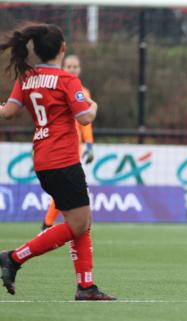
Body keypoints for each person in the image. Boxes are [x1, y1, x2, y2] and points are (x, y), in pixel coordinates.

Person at [0, 23, 115, 300]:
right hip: (64, 160)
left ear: (35, 50)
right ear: (62, 49)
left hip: (43, 160)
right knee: (78, 224)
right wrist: (94, 105)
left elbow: (8, 113)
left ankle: (86, 286)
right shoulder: (66, 80)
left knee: (80, 221)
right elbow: (85, 117)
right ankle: (14, 258)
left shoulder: (26, 78)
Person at [41, 54, 94, 230]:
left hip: (73, 146)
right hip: (56, 144)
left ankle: (48, 224)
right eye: (69, 66)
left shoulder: (83, 92)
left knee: (65, 190)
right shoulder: (54, 87)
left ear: (80, 69)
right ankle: (50, 224)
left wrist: (89, 144)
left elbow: (85, 123)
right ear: (63, 68)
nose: (72, 69)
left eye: (75, 67)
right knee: (65, 190)